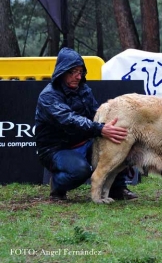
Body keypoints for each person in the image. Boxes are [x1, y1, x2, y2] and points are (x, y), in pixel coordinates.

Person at [35, 47, 138, 201]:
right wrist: (101, 129)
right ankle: (57, 186)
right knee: (80, 170)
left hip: (84, 142)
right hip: (54, 149)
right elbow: (69, 120)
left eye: (80, 72)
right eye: (73, 72)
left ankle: (118, 189)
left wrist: (110, 126)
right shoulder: (48, 96)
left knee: (117, 145)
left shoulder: (84, 90)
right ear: (62, 72)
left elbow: (96, 114)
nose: (78, 76)